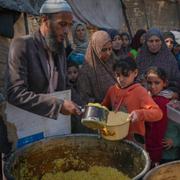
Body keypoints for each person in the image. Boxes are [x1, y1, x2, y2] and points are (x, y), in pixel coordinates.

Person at [7, 0, 81, 119]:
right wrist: (57, 106)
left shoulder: (60, 49)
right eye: (62, 24)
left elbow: (66, 86)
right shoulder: (22, 45)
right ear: (45, 20)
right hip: (27, 124)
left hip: (55, 124)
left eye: (69, 25)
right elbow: (15, 93)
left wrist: (86, 108)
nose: (67, 31)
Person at [101, 57, 162, 146]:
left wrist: (140, 114)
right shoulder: (112, 90)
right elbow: (104, 107)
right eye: (118, 75)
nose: (121, 79)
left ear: (135, 73)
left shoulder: (140, 92)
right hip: (114, 137)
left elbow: (158, 113)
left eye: (126, 75)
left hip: (134, 139)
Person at [77, 30, 116, 105]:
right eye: (103, 50)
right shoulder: (86, 72)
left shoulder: (113, 62)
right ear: (95, 49)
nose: (108, 53)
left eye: (110, 49)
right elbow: (84, 98)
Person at [136, 28, 180, 92]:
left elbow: (177, 81)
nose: (154, 44)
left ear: (161, 42)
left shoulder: (170, 58)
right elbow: (134, 79)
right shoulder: (140, 58)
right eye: (151, 41)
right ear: (146, 42)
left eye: (157, 41)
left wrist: (171, 92)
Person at [145, 66, 170, 167]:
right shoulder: (146, 97)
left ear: (165, 83)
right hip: (146, 143)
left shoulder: (166, 102)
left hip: (157, 146)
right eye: (150, 83)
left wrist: (174, 140)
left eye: (157, 83)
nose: (153, 86)